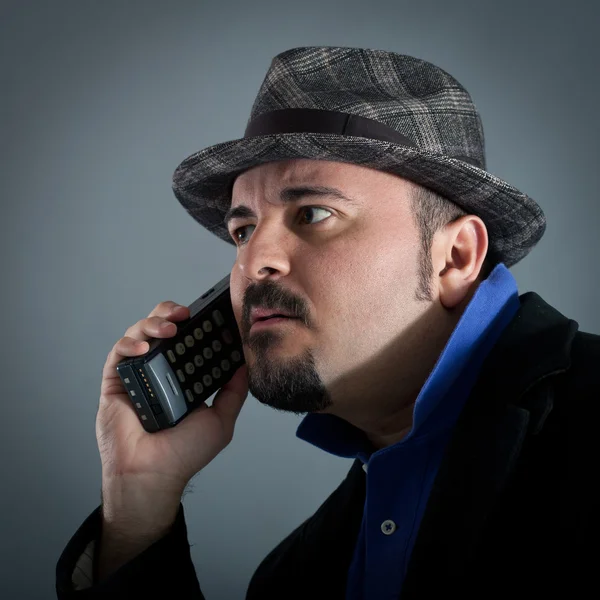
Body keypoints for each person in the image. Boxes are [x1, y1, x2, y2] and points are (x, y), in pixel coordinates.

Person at [55, 46, 597, 599]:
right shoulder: (293, 577)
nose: (252, 260)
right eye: (242, 230)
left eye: (313, 213)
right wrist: (139, 502)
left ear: (455, 257)